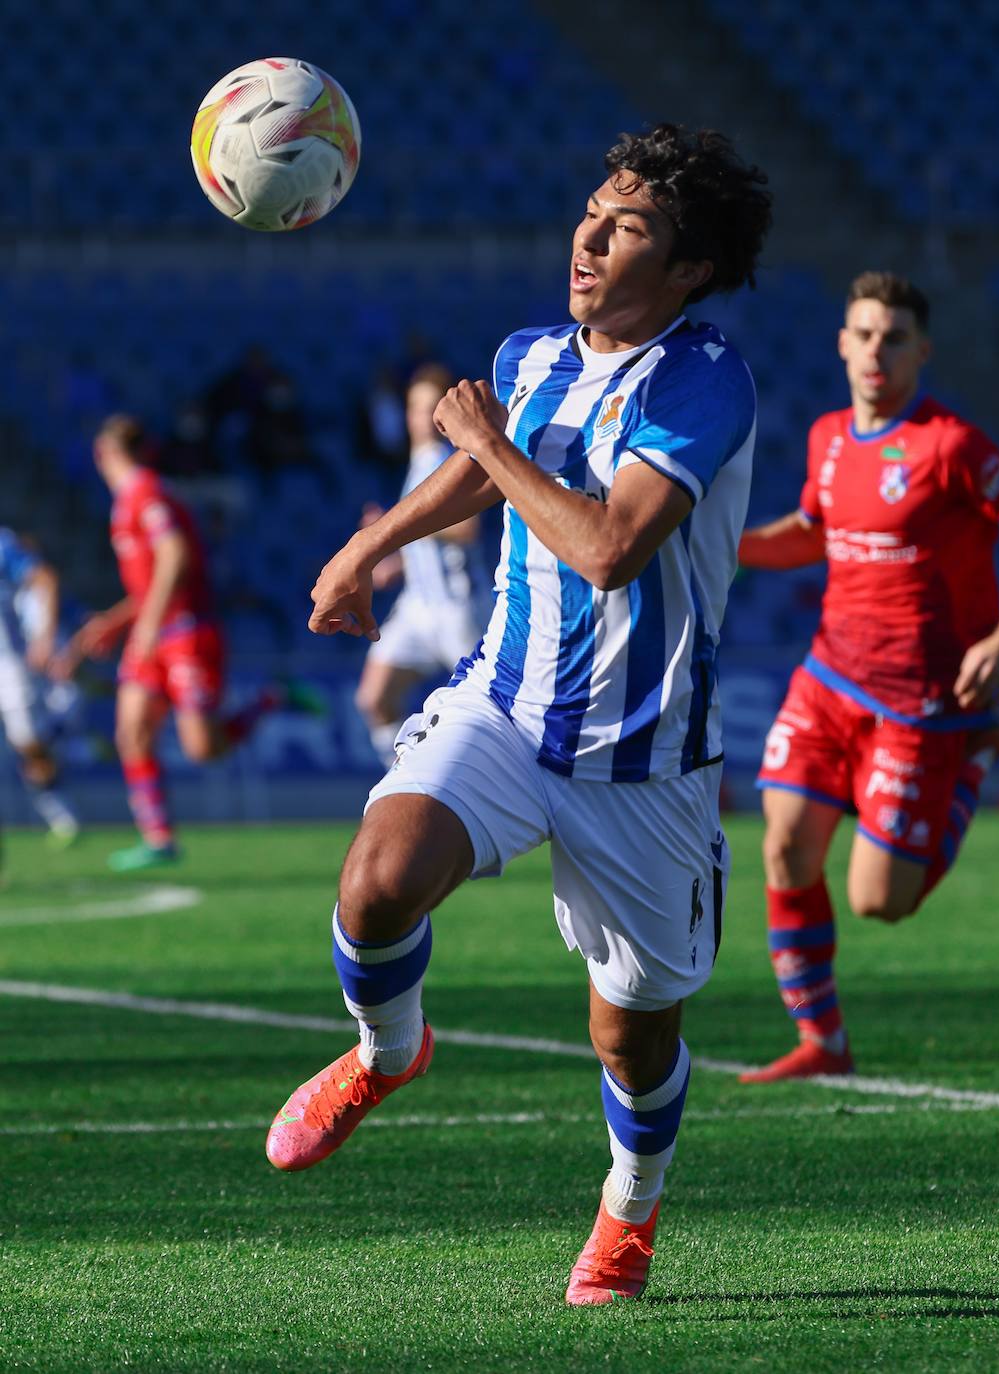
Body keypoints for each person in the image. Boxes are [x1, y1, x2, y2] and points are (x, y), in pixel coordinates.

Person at [264, 123, 772, 1305]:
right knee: (375, 881)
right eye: (593, 209)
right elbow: (472, 472)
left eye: (628, 227)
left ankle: (627, 1212)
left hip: (644, 764)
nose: (588, 236)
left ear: (688, 269)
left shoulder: (702, 381)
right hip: (503, 705)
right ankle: (387, 1054)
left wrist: (486, 440)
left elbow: (607, 548)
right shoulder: (533, 352)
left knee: (630, 1039)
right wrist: (369, 546)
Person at [736, 271, 999, 1083]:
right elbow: (812, 534)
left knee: (878, 904)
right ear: (841, 344)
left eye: (893, 337)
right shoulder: (826, 437)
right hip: (826, 680)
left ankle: (974, 759)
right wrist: (724, 547)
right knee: (783, 848)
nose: (875, 352)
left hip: (919, 702)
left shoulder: (948, 444)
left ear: (921, 350)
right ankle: (823, 1041)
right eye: (862, 334)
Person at [54, 415, 296, 872]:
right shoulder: (127, 503)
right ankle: (159, 838)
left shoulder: (146, 493)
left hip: (186, 629)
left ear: (102, 455)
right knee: (132, 731)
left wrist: (144, 626)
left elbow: (174, 556)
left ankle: (273, 698)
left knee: (202, 748)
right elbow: (151, 582)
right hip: (156, 632)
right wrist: (116, 621)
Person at [354, 363, 488, 765]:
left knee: (491, 717)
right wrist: (399, 565)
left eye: (432, 407)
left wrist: (397, 527)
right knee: (374, 698)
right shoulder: (417, 463)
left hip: (459, 608)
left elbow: (467, 529)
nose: (422, 418)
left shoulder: (451, 459)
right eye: (415, 407)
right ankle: (402, 783)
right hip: (418, 605)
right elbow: (429, 542)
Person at [0, 528, 80, 851]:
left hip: (9, 666)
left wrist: (45, 637)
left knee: (29, 744)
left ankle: (60, 809)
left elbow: (44, 577)